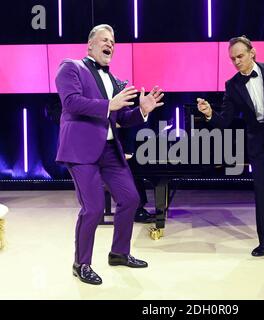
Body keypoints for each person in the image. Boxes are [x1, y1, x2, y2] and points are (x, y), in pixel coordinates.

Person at [55, 24, 164, 285]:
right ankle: (81, 263)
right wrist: (108, 104)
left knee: (130, 199)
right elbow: (70, 102)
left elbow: (121, 118)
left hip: (110, 151)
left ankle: (119, 253)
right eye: (104, 40)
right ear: (90, 44)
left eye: (113, 42)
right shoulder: (70, 67)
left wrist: (143, 111)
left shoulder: (114, 80)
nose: (110, 45)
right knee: (92, 209)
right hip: (81, 150)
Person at [197, 36, 264, 261]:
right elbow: (225, 120)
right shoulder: (233, 85)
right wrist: (209, 114)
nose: (236, 61)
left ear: (252, 53)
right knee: (261, 191)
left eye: (240, 56)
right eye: (232, 58)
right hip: (258, 142)